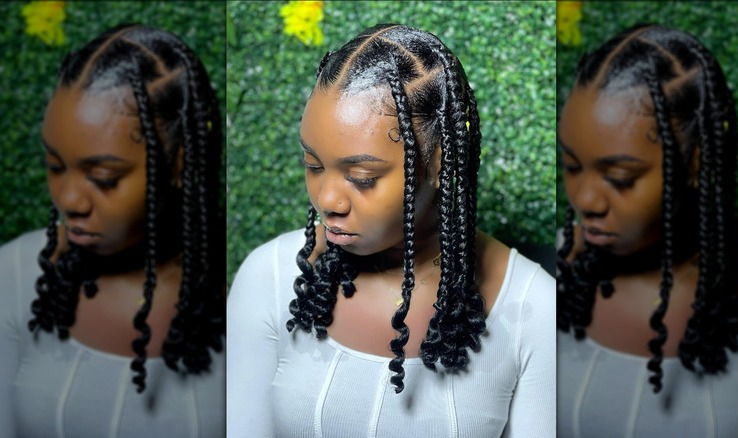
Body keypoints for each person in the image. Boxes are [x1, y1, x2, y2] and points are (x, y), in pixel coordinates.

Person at [228, 23, 555, 437]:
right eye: (313, 165)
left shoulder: (537, 308)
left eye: (362, 176)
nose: (328, 199)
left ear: (437, 163)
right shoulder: (269, 276)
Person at [0, 24, 226, 436]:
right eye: (55, 165)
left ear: (178, 163)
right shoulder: (14, 274)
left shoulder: (238, 297)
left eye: (103, 177)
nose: (69, 199)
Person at [556, 23, 738, 436]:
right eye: (572, 166)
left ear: (695, 162)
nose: (586, 200)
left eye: (620, 176)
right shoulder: (552, 276)